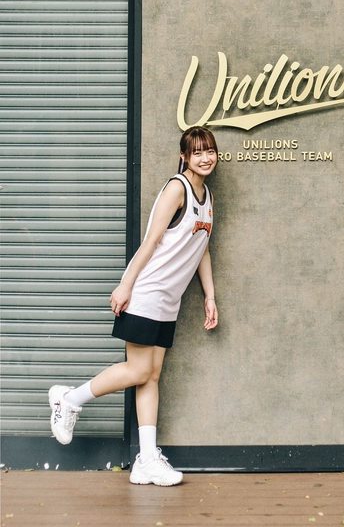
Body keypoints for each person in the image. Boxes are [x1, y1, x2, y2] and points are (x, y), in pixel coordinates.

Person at [48, 126, 220, 486]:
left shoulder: (207, 198)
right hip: (148, 293)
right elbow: (151, 240)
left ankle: (146, 460)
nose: (205, 158)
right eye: (197, 152)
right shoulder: (177, 189)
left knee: (151, 376)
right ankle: (70, 398)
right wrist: (126, 284)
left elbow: (201, 249)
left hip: (169, 300)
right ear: (184, 157)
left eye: (210, 151)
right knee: (139, 371)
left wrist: (210, 295)